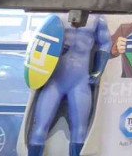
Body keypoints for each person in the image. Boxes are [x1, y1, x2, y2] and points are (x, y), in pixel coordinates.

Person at [27, 15, 111, 156]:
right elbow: (39, 41)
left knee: (80, 131)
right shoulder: (55, 17)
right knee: (40, 127)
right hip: (54, 80)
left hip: (80, 82)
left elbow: (106, 43)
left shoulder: (97, 19)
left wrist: (98, 69)